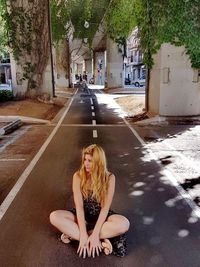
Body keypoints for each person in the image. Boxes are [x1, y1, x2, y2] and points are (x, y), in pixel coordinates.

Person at [50, 144, 130, 258]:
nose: (86, 163)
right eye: (85, 160)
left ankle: (80, 236)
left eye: (90, 161)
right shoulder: (78, 176)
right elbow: (79, 207)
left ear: (98, 162)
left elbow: (105, 209)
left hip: (102, 217)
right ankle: (100, 239)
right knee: (54, 216)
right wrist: (83, 233)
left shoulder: (110, 178)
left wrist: (96, 233)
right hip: (81, 216)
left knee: (124, 224)